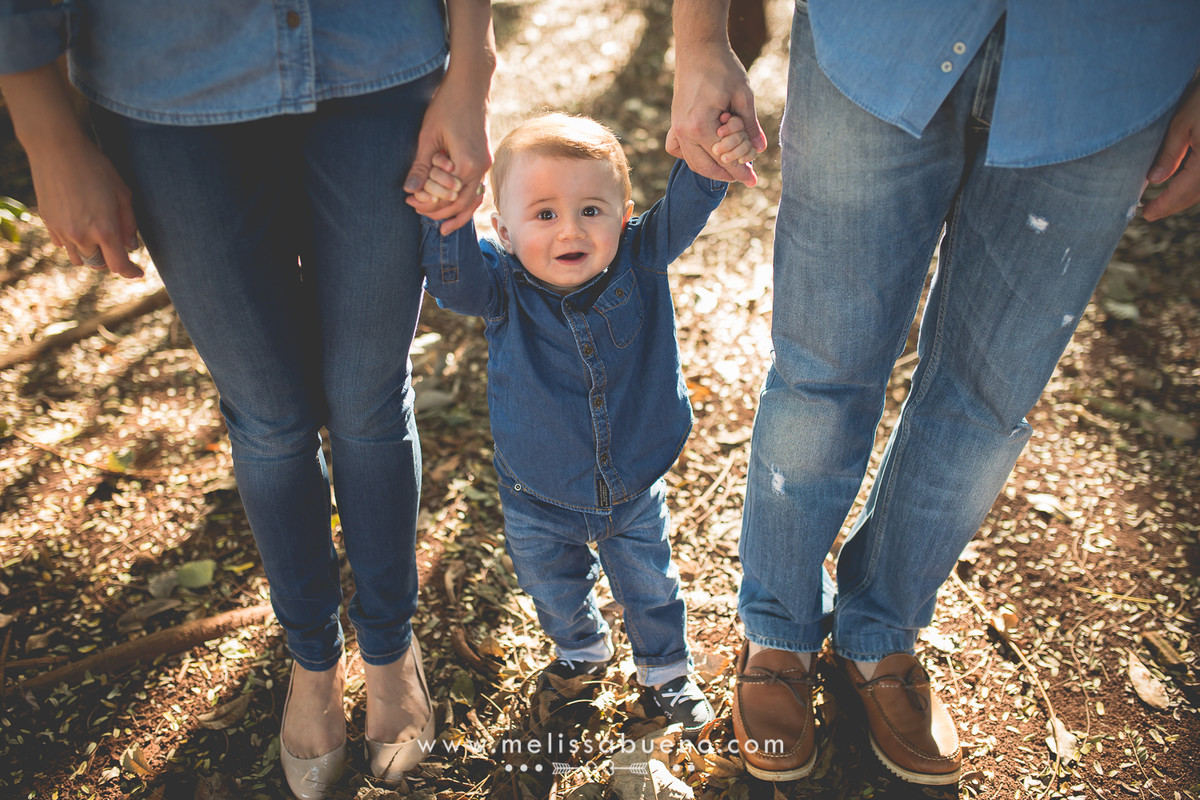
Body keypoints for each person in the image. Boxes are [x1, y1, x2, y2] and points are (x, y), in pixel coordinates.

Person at [668, 0, 1200, 786]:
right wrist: (700, 38)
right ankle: (775, 631)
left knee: (987, 400)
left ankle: (880, 634)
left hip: (1108, 81)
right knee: (822, 370)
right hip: (879, 39)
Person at [0, 1, 495, 797]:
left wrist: (473, 68)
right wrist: (46, 131)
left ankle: (390, 649)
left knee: (368, 396)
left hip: (377, 65)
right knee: (269, 416)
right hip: (168, 95)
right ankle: (312, 659)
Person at [410, 112, 755, 735]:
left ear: (624, 215)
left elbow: (688, 201)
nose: (570, 229)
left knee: (651, 585)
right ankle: (581, 654)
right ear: (504, 231)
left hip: (632, 481)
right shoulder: (500, 286)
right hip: (537, 490)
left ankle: (667, 672)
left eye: (592, 209)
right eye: (543, 214)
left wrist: (710, 155)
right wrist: (446, 218)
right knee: (554, 589)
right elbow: (452, 281)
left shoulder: (642, 256)